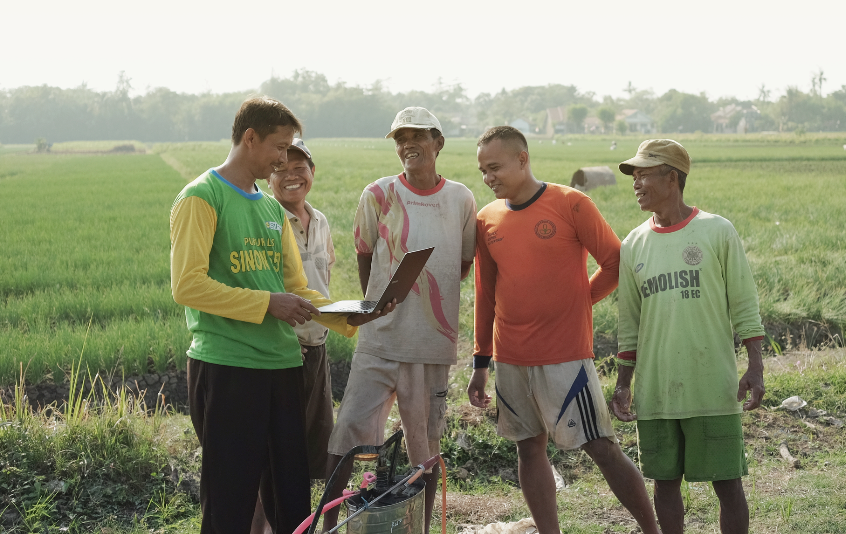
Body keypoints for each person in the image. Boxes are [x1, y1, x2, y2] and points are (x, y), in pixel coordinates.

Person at [170, 97, 392, 534]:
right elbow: (188, 285)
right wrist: (267, 303)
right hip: (229, 366)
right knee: (230, 501)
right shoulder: (201, 197)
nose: (282, 158)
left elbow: (297, 289)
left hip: (283, 366)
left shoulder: (271, 210)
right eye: (278, 146)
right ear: (250, 138)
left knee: (291, 499)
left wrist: (351, 314)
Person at [467, 126, 660, 534]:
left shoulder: (571, 203)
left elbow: (615, 263)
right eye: (483, 170)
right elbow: (485, 293)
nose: (488, 177)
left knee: (601, 447)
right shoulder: (486, 219)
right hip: (510, 357)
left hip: (565, 357)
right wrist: (480, 363)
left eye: (495, 167)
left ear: (523, 159)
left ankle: (652, 530)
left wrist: (580, 299)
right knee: (528, 449)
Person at [322, 107, 477, 533]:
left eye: (417, 136)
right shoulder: (378, 194)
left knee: (425, 448)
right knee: (347, 435)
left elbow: (462, 264)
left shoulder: (461, 199)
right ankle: (329, 523)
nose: (408, 144)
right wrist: (376, 307)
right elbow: (364, 254)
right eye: (400, 138)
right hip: (380, 341)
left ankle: (420, 527)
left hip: (431, 344)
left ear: (438, 142)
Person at [611, 139, 766, 534]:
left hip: (712, 387)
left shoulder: (717, 231)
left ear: (672, 178)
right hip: (657, 390)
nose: (637, 183)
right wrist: (624, 383)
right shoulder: (633, 244)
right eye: (634, 176)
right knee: (664, 483)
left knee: (727, 483)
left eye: (645, 174)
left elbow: (744, 304)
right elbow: (629, 323)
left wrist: (755, 367)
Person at [249, 137, 336, 534]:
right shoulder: (266, 221)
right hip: (284, 352)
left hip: (317, 347)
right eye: (281, 168)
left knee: (309, 451)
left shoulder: (321, 221)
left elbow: (323, 278)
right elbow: (260, 289)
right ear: (269, 177)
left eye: (300, 168)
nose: (291, 176)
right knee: (272, 458)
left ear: (312, 172)